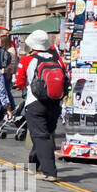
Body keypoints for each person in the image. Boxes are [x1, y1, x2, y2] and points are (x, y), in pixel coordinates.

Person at [15, 29, 64, 182]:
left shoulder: (27, 60)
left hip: (35, 101)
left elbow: (20, 82)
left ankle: (50, 171)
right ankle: (33, 165)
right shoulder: (58, 59)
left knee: (40, 136)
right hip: (55, 101)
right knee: (45, 134)